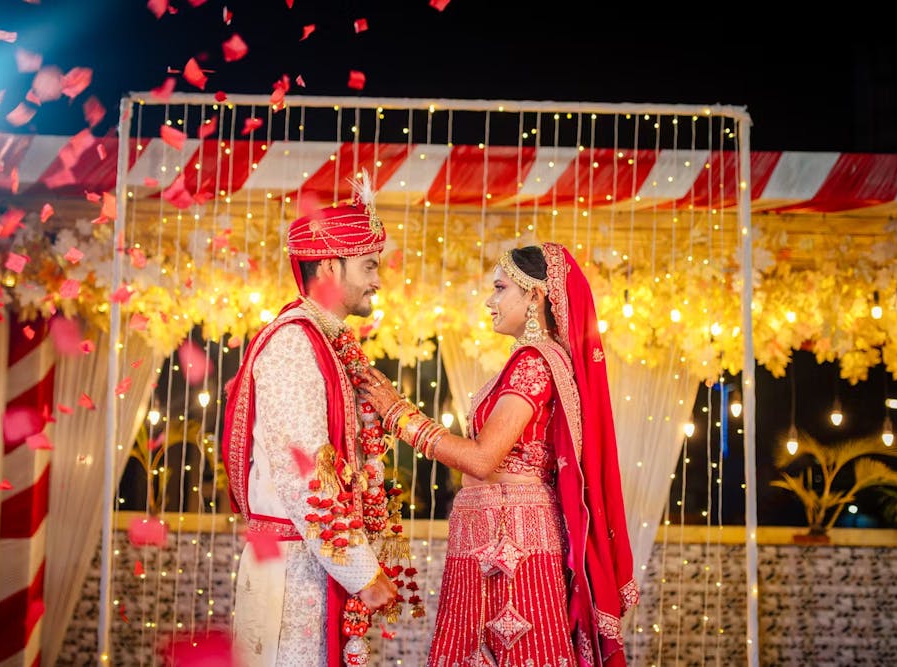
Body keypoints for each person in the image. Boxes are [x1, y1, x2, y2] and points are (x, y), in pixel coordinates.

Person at [358, 243, 638, 667]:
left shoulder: (534, 363)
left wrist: (398, 414)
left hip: (512, 543)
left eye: (500, 288)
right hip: (492, 533)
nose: (490, 300)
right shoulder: (528, 362)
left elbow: (483, 459)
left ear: (534, 296)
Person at [222, 172, 420, 667]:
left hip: (312, 562)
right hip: (291, 572)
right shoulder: (294, 343)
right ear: (330, 266)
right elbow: (304, 472)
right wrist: (363, 573)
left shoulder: (328, 342)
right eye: (369, 265)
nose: (378, 280)